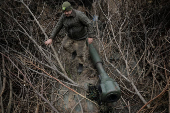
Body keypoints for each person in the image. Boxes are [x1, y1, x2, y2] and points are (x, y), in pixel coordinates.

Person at [45, 1, 95, 74]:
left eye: (67, 11)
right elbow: (57, 27)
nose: (66, 13)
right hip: (70, 36)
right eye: (64, 12)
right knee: (65, 45)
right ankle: (73, 52)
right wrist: (51, 38)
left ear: (71, 9)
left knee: (80, 54)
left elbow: (89, 24)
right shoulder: (63, 17)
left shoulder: (79, 15)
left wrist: (90, 36)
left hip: (81, 37)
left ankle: (81, 65)